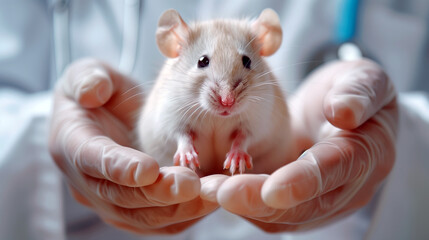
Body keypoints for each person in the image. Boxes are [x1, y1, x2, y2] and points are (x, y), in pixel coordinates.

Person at [1, 0, 428, 239]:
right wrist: (49, 133)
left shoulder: (263, 95)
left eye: (246, 63)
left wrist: (395, 132)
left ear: (262, 49)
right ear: (176, 48)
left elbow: (264, 128)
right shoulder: (171, 90)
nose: (227, 95)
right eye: (203, 63)